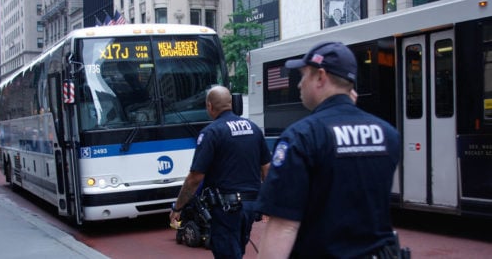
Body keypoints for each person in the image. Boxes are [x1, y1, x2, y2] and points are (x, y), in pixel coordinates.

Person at [255, 42, 401, 258]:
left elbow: (284, 226)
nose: (299, 85)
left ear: (321, 77)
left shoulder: (301, 136)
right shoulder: (388, 134)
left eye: (303, 76)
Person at [170, 85, 271, 258]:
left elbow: (195, 178)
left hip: (226, 209)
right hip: (250, 207)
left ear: (209, 106)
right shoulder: (253, 128)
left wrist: (178, 207)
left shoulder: (211, 133)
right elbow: (267, 169)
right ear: (231, 103)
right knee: (237, 251)